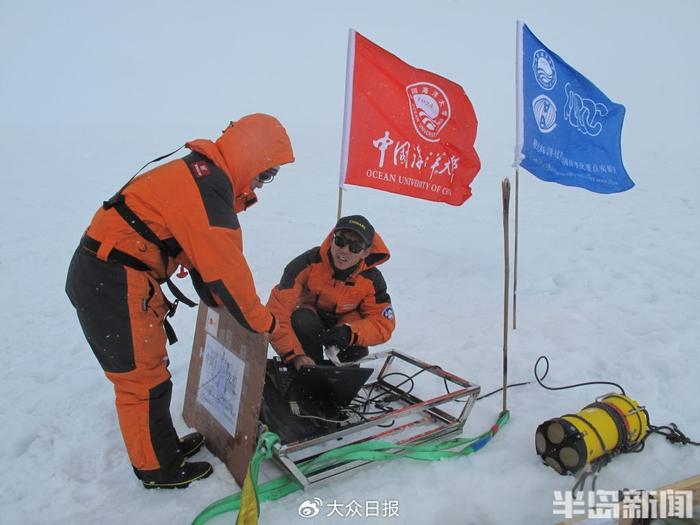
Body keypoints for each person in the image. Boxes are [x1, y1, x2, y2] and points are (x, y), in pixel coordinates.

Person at [65, 113, 294, 488]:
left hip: (111, 275)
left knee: (151, 371)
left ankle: (163, 448)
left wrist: (224, 303)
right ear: (249, 155)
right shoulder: (207, 187)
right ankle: (157, 469)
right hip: (112, 281)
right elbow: (228, 275)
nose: (261, 184)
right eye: (265, 173)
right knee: (141, 381)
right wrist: (266, 325)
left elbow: (208, 268)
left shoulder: (202, 174)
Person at [267, 215, 395, 370]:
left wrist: (350, 333)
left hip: (343, 325)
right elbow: (276, 311)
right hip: (308, 318)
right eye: (340, 241)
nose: (344, 251)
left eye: (355, 247)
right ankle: (308, 372)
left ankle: (342, 383)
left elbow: (383, 323)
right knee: (302, 320)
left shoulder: (372, 280)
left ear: (366, 252)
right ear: (332, 239)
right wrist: (294, 355)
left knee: (357, 347)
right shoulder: (307, 263)